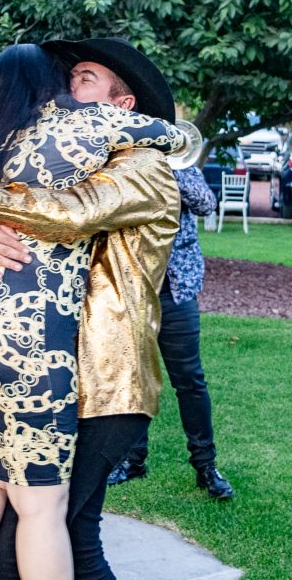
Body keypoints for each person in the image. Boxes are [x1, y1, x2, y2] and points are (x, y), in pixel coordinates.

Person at [0, 43, 183, 580]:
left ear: (123, 105)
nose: (68, 88)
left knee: (42, 531)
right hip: (39, 362)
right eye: (69, 77)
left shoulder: (143, 166)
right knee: (20, 502)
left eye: (86, 78)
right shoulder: (58, 152)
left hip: (102, 383)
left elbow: (72, 214)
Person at [105, 166, 235, 499]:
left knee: (190, 380)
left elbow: (206, 203)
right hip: (133, 290)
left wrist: (170, 171)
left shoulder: (181, 164)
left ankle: (206, 467)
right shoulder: (124, 162)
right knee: (134, 380)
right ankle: (132, 461)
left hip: (175, 291)